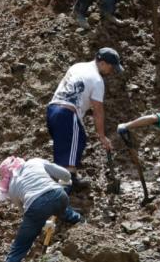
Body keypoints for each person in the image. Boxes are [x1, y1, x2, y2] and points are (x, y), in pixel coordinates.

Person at [46, 47, 122, 218]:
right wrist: (101, 136)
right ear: (102, 62)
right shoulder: (97, 80)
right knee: (68, 162)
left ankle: (71, 180)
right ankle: (61, 206)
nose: (110, 71)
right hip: (67, 113)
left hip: (52, 111)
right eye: (110, 67)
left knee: (78, 140)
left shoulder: (78, 66)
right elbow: (98, 111)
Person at [0, 156, 76, 262]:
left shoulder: (11, 187)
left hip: (36, 206)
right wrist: (66, 181)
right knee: (61, 209)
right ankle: (80, 221)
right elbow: (66, 175)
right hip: (59, 195)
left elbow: (25, 211)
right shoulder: (35, 162)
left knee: (20, 245)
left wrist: (42, 222)